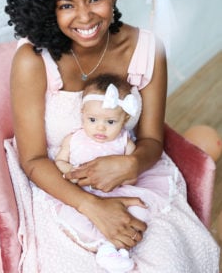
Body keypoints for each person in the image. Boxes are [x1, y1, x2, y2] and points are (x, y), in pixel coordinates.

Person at [5, 0, 219, 272]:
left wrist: (131, 165)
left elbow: (151, 140)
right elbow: (31, 158)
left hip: (134, 178)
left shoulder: (147, 49)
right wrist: (91, 206)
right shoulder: (34, 60)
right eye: (66, 5)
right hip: (61, 186)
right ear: (50, 8)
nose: (85, 17)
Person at [55, 73, 174, 272]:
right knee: (76, 218)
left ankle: (117, 245)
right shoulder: (74, 139)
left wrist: (125, 175)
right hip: (85, 192)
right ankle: (104, 246)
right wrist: (71, 173)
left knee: (139, 209)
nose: (100, 127)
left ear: (124, 120)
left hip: (118, 190)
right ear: (82, 114)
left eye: (110, 122)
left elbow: (132, 168)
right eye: (92, 119)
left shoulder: (123, 141)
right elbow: (60, 160)